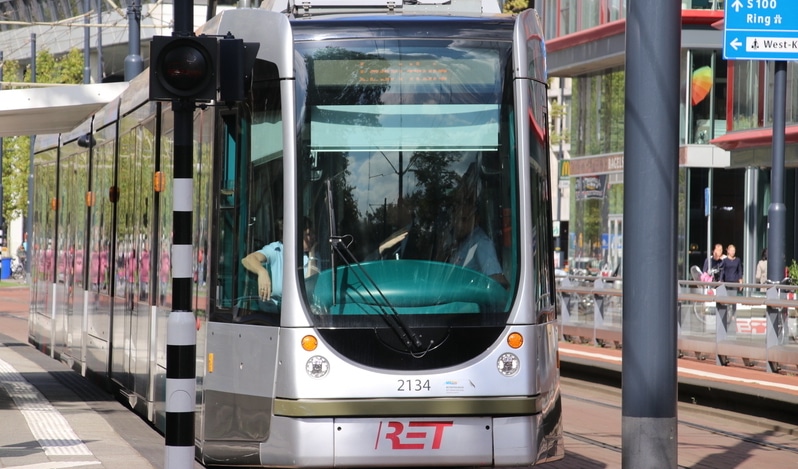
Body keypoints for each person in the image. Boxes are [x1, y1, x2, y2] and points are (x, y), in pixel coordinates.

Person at [241, 219, 317, 304]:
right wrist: (262, 272)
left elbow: (310, 289)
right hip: (275, 311)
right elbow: (247, 260)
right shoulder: (276, 249)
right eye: (308, 234)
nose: (312, 237)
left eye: (312, 233)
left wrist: (312, 255)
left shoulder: (313, 254)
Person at [450, 202, 509, 288]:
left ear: (476, 220)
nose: (458, 225)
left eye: (464, 220)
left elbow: (496, 279)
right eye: (456, 220)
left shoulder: (481, 242)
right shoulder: (464, 241)